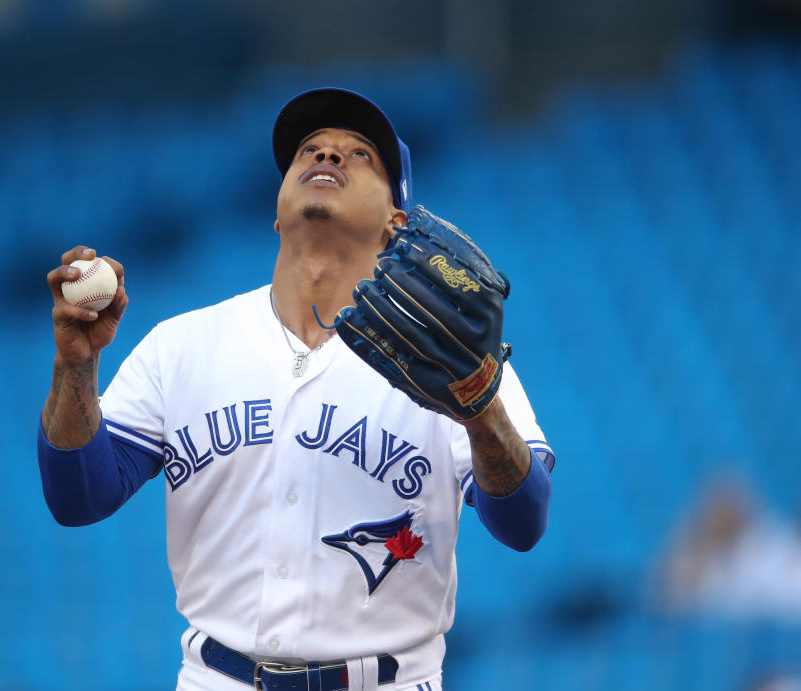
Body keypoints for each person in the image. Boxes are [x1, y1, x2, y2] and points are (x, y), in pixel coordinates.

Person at [38, 88, 555, 691]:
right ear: (277, 210)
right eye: (310, 150)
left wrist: (481, 411)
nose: (327, 157)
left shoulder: (459, 364)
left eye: (359, 156)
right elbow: (78, 499)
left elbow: (524, 523)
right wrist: (76, 367)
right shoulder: (183, 345)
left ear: (398, 222)